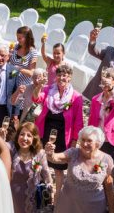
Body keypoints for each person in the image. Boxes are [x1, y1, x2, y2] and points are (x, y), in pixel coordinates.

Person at [46, 126, 114, 213]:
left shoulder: (107, 159)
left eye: (89, 141)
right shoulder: (74, 153)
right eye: (82, 140)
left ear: (98, 143)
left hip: (93, 212)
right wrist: (50, 153)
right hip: (68, 207)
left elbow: (109, 188)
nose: (84, 143)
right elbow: (55, 158)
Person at [31, 63, 84, 197]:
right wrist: (38, 86)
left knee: (58, 168)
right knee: (39, 163)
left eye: (64, 75)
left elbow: (78, 121)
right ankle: (38, 192)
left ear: (70, 77)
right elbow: (36, 98)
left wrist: (74, 141)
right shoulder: (48, 89)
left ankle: (57, 198)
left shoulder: (76, 97)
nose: (61, 78)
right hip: (45, 131)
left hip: (62, 135)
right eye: (59, 75)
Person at [9, 121, 52, 213]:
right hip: (11, 196)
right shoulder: (12, 150)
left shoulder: (39, 154)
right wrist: (1, 137)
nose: (24, 138)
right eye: (22, 134)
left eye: (29, 136)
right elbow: (0, 147)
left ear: (34, 139)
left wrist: (49, 188)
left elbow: (46, 174)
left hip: (30, 198)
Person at [89, 67, 114, 166]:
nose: (105, 80)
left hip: (112, 140)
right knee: (96, 167)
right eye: (103, 78)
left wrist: (110, 89)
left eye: (108, 78)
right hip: (98, 140)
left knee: (112, 170)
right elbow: (91, 120)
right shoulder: (95, 99)